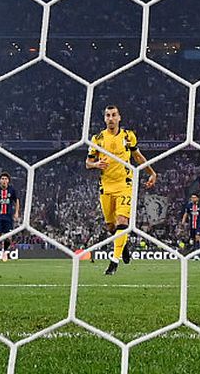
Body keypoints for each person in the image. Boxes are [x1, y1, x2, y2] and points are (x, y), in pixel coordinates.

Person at [85, 104, 157, 275]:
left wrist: (152, 173)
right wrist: (96, 164)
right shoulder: (98, 139)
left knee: (122, 221)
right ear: (104, 119)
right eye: (108, 115)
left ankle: (113, 262)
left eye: (113, 115)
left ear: (119, 118)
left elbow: (138, 156)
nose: (111, 118)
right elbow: (87, 163)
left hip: (125, 184)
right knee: (111, 227)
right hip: (106, 186)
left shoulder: (128, 136)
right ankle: (122, 246)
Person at [0, 172, 21, 260]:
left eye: (6, 179)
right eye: (2, 179)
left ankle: (5, 252)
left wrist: (16, 212)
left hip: (8, 217)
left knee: (8, 236)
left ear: (8, 181)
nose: (4, 181)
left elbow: (16, 201)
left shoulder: (12, 190)